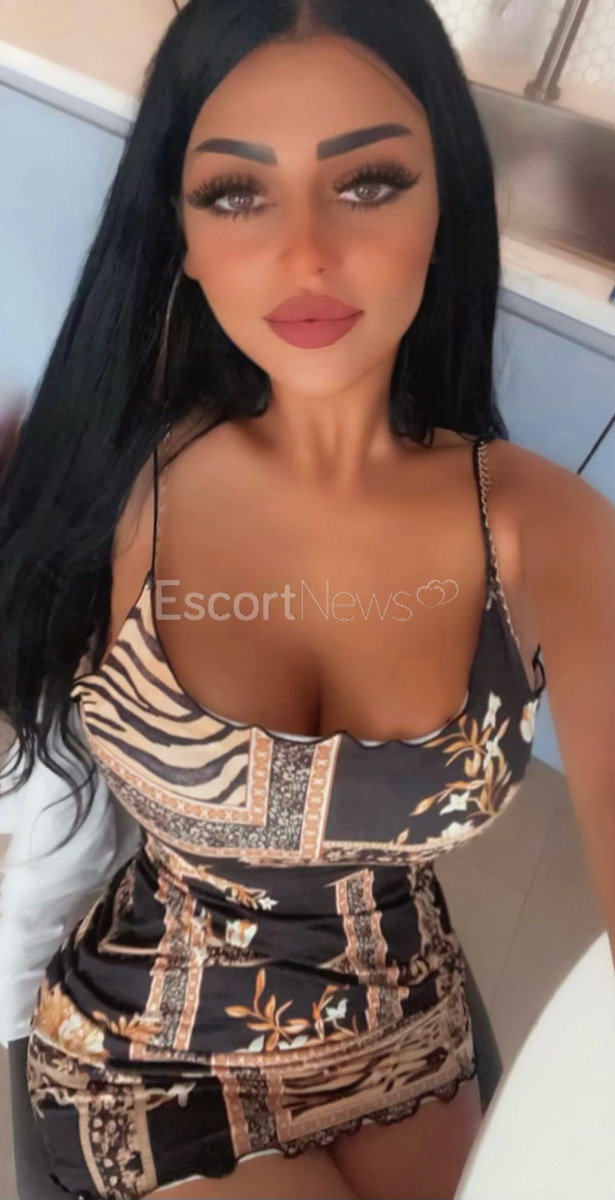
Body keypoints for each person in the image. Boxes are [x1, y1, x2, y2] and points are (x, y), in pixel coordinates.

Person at [2, 1, 614, 1198]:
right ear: (179, 231)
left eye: (369, 182)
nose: (307, 255)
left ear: (447, 205)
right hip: (151, 1048)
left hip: (405, 1028)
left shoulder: (546, 532)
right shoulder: (104, 472)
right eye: (237, 192)